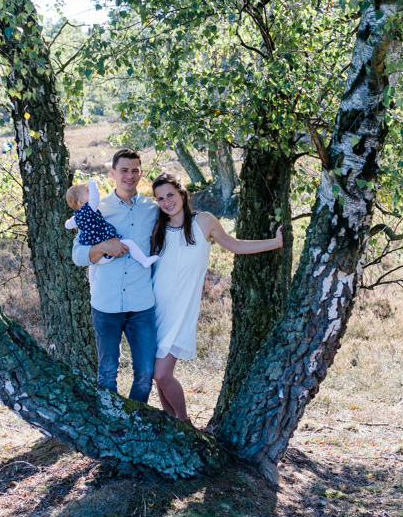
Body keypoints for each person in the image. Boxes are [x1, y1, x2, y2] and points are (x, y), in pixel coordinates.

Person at [150, 172, 282, 422]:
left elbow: (236, 245)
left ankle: (185, 422)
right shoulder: (158, 228)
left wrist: (275, 243)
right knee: (158, 376)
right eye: (160, 199)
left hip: (181, 310)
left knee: (162, 374)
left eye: (170, 194)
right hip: (154, 308)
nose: (167, 202)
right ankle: (172, 425)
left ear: (181, 193)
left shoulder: (204, 222)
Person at [71, 148, 159, 403]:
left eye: (135, 171)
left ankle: (134, 421)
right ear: (112, 173)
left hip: (142, 304)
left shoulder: (153, 210)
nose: (129, 176)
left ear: (140, 173)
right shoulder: (96, 208)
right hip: (106, 304)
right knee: (107, 373)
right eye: (124, 170)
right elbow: (77, 255)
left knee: (145, 374)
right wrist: (102, 248)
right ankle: (111, 428)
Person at [64, 179, 159, 269]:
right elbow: (94, 198)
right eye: (88, 191)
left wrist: (67, 222)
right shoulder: (92, 209)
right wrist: (92, 184)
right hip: (104, 249)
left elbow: (68, 225)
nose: (91, 192)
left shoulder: (78, 217)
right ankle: (144, 261)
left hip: (96, 253)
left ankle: (92, 285)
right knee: (129, 243)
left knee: (93, 268)